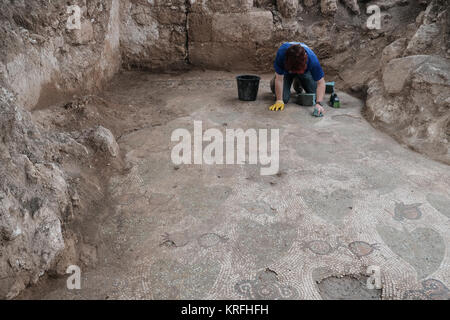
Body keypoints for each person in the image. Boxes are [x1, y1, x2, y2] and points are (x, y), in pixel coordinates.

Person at [269, 42, 326, 116]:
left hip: (304, 72)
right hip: (286, 72)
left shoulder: (312, 60)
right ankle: (275, 80)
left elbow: (321, 83)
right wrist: (279, 100)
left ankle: (298, 80)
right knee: (284, 98)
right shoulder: (282, 54)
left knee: (315, 95)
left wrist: (319, 103)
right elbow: (279, 79)